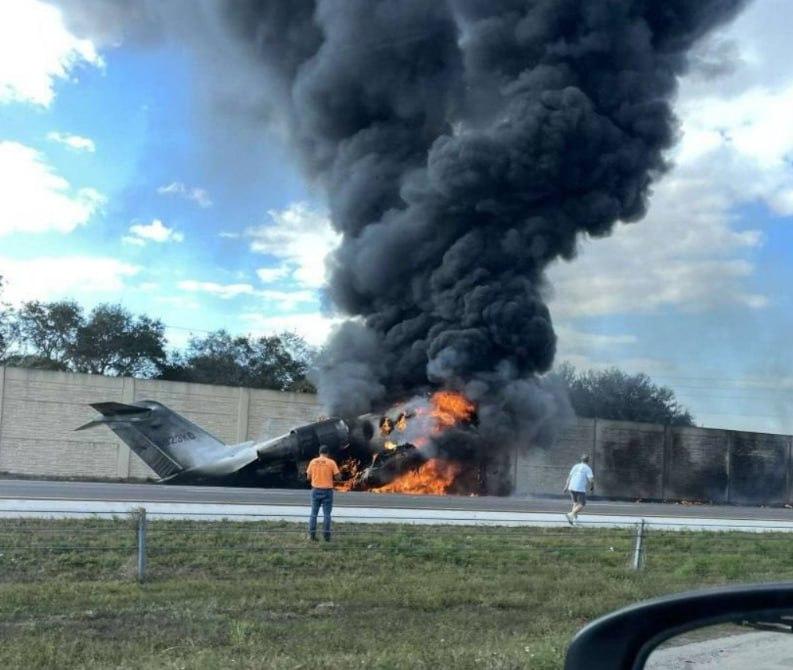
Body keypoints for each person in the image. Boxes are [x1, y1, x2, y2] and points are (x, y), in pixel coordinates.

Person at [306, 444, 341, 541]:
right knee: (327, 515)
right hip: (327, 491)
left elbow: (308, 477)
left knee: (313, 513)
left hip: (315, 490)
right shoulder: (331, 462)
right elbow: (338, 477)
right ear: (328, 453)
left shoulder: (313, 462)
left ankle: (311, 536)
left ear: (319, 452)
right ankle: (326, 536)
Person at [563, 454, 594, 526]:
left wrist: (566, 486)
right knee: (582, 503)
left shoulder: (575, 466)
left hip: (571, 487)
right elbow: (591, 479)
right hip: (579, 488)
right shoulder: (587, 468)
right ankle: (570, 514)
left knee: (575, 503)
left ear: (581, 459)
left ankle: (574, 520)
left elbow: (569, 477)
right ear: (588, 461)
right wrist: (592, 486)